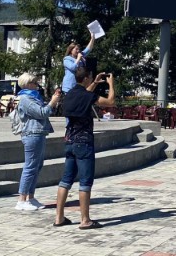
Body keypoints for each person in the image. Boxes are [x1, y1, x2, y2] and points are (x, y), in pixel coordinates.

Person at [54, 68, 115, 229]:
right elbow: (110, 102)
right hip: (84, 142)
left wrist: (95, 82)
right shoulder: (86, 96)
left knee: (66, 180)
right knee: (85, 182)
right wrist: (111, 84)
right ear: (86, 78)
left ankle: (59, 217)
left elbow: (85, 94)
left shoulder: (70, 94)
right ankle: (85, 220)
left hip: (69, 140)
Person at [15, 73, 61, 211]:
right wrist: (52, 102)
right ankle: (21, 199)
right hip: (32, 134)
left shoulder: (34, 97)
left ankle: (31, 197)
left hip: (39, 133)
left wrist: (53, 102)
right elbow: (41, 113)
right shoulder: (25, 99)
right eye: (34, 83)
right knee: (30, 166)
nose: (37, 85)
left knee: (37, 166)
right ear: (27, 84)